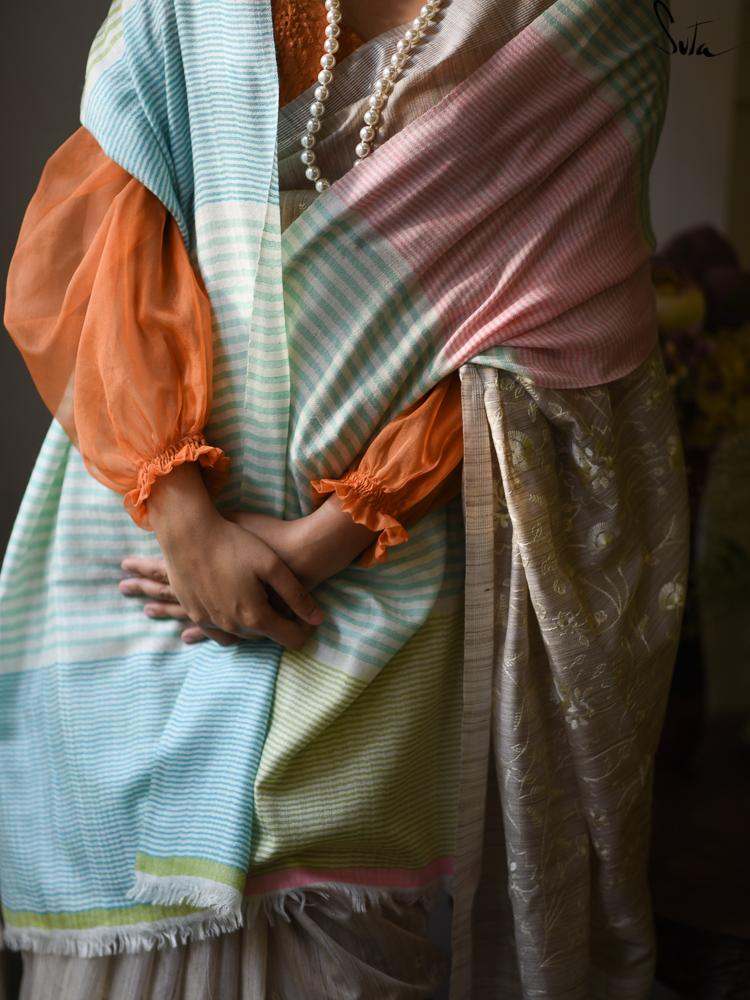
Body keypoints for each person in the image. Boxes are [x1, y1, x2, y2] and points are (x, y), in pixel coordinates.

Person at [0, 0, 689, 997]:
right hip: (137, 535)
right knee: (113, 920)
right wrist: (182, 515)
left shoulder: (582, 22)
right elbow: (104, 231)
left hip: (381, 580)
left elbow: (553, 329)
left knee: (341, 921)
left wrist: (333, 532)